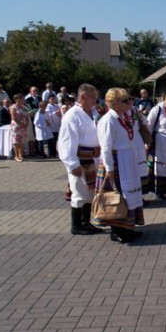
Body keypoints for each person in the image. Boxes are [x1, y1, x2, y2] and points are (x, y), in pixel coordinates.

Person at [91, 88, 145, 243]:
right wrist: (109, 169)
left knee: (127, 195)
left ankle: (127, 227)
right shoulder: (108, 120)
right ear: (114, 104)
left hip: (126, 160)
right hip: (116, 160)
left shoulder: (122, 117)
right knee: (117, 195)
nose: (128, 103)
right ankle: (116, 230)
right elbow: (106, 147)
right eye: (124, 101)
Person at [58, 84, 103, 235]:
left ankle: (86, 222)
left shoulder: (94, 113)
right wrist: (72, 164)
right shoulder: (72, 115)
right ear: (83, 97)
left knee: (90, 193)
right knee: (79, 192)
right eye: (93, 97)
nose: (96, 100)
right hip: (79, 159)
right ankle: (76, 225)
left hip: (93, 158)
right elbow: (66, 142)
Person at [9, 94, 29, 162]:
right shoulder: (13, 107)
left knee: (22, 141)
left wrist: (26, 123)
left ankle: (21, 155)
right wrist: (21, 124)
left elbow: (27, 115)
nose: (23, 100)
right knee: (16, 141)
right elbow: (13, 117)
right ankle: (16, 156)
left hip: (23, 126)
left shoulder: (24, 107)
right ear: (17, 99)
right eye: (21, 99)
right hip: (16, 126)